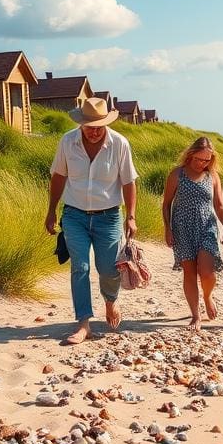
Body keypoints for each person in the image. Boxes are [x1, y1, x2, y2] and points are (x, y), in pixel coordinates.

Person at [45, 97, 138, 345]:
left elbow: (129, 181)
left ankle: (110, 301)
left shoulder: (119, 143)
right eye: (89, 127)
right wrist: (51, 211)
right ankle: (83, 323)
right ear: (81, 124)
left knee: (108, 269)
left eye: (99, 127)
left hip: (109, 216)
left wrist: (131, 216)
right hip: (74, 215)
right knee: (81, 267)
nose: (94, 132)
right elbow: (58, 177)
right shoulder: (67, 141)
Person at [162, 136, 223, 331]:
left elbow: (219, 205)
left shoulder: (212, 176)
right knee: (189, 273)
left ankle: (207, 296)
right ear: (190, 155)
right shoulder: (177, 174)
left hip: (207, 227)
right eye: (199, 159)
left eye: (207, 160)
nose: (202, 164)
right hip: (182, 228)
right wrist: (167, 228)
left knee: (207, 273)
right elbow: (166, 204)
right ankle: (196, 315)